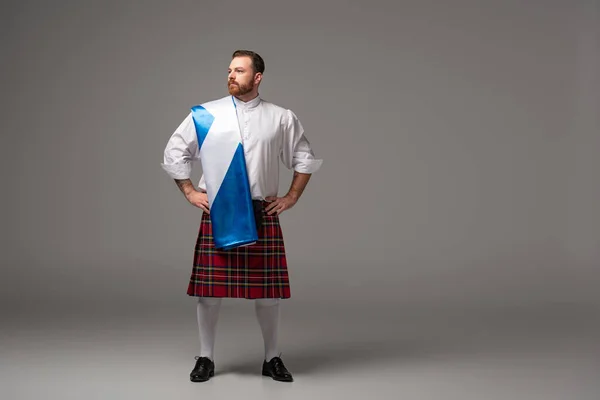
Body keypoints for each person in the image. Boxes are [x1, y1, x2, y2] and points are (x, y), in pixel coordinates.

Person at [161, 50, 322, 383]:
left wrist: (291, 196)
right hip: (220, 210)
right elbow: (175, 153)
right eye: (229, 70)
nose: (231, 75)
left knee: (267, 294)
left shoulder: (281, 117)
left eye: (239, 70)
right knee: (209, 293)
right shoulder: (206, 114)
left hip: (260, 210)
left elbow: (304, 159)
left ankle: (272, 358)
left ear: (257, 77)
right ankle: (205, 357)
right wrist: (190, 192)